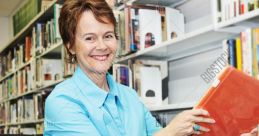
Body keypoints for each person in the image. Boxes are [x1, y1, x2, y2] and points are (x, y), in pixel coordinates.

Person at [43, 0, 215, 135]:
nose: (102, 46)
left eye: (108, 35)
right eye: (90, 38)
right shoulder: (61, 102)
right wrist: (171, 132)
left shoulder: (129, 96)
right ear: (71, 46)